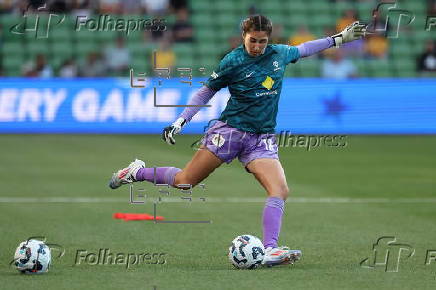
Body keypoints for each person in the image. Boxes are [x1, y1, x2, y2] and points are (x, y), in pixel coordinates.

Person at [109, 15, 366, 267]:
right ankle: (136, 172)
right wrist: (181, 121)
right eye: (252, 40)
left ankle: (270, 249)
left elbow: (305, 48)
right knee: (185, 181)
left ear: (269, 40)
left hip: (261, 138)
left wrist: (339, 39)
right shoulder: (232, 61)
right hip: (229, 132)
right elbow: (206, 90)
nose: (257, 46)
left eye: (262, 41)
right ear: (244, 36)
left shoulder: (279, 55)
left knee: (280, 190)